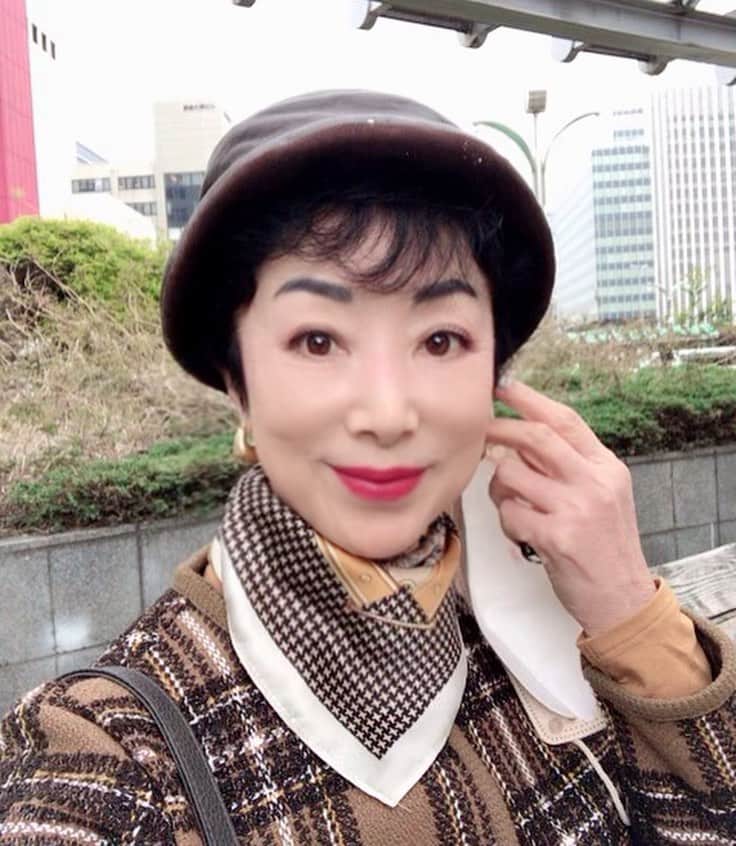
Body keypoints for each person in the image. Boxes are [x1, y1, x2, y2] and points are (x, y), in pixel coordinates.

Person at [1, 90, 734, 845]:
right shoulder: (115, 751)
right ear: (236, 380)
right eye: (317, 340)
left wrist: (629, 613)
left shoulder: (552, 612)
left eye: (441, 340)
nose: (387, 413)